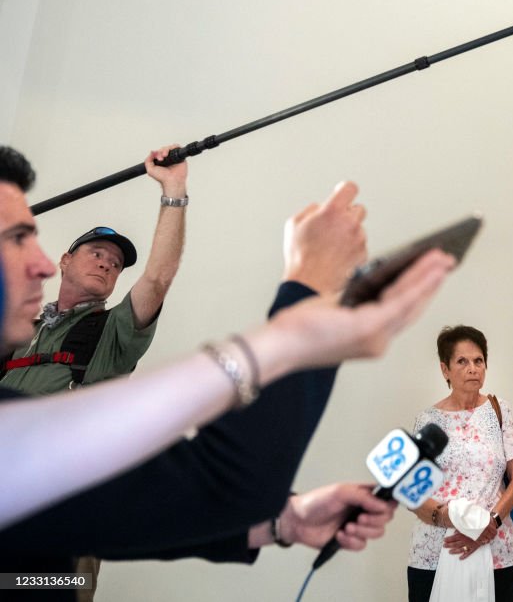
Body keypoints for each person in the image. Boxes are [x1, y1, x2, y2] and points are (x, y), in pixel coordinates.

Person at [0, 144, 455, 598]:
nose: (38, 263)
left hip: (43, 551)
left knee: (42, 582)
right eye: (18, 237)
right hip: (40, 542)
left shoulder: (104, 331)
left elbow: (116, 508)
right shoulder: (23, 379)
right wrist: (306, 300)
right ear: (67, 260)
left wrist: (280, 522)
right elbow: (213, 483)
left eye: (114, 262)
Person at [2, 145, 188, 394]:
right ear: (65, 261)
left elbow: (157, 279)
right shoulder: (18, 329)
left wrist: (174, 189)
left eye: (115, 264)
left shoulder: (114, 333)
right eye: (96, 253)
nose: (105, 264)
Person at [407, 325, 513, 602]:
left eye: (478, 361)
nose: (473, 368)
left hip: (497, 548)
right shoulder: (427, 421)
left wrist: (489, 525)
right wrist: (449, 517)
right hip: (437, 552)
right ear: (445, 369)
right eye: (462, 361)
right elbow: (412, 493)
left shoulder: (500, 410)